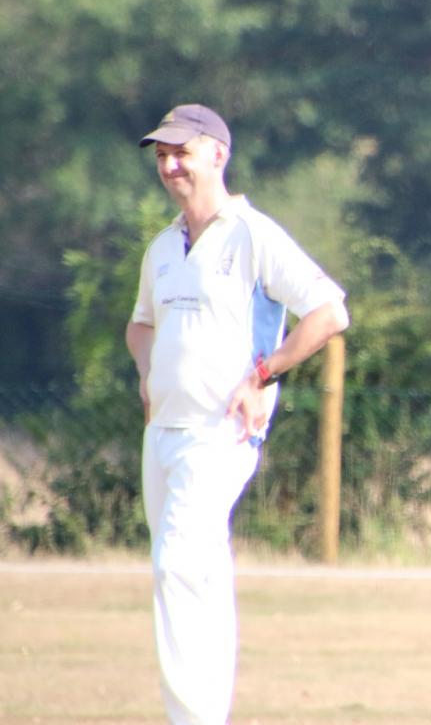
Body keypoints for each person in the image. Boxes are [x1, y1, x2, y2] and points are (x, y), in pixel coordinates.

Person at [125, 103, 349, 725]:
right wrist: (146, 373)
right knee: (198, 573)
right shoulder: (163, 246)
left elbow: (329, 312)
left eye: (182, 153)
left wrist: (263, 374)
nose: (170, 165)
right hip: (163, 433)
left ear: (218, 154)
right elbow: (141, 324)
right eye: (162, 155)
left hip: (220, 431)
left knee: (177, 566)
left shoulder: (252, 234)